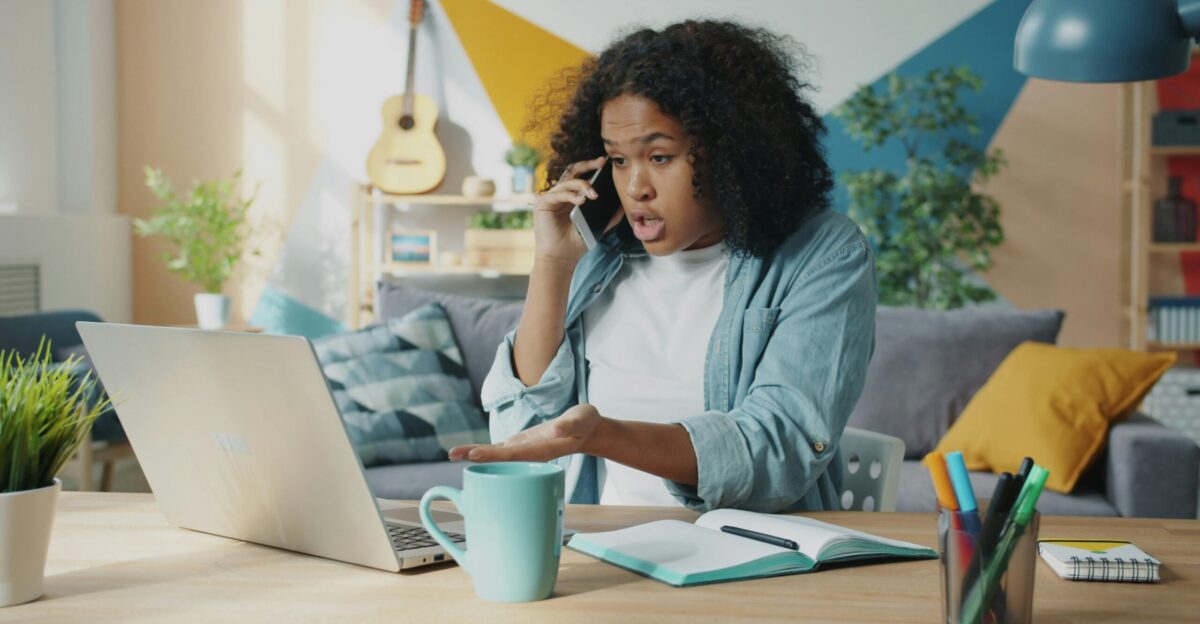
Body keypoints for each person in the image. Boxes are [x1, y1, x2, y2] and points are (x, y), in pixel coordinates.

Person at [448, 20, 877, 513]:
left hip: (748, 562)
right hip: (606, 553)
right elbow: (518, 436)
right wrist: (553, 261)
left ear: (730, 152)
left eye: (659, 156)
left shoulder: (823, 253)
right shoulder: (601, 257)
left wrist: (601, 435)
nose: (635, 189)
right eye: (619, 161)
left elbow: (779, 450)